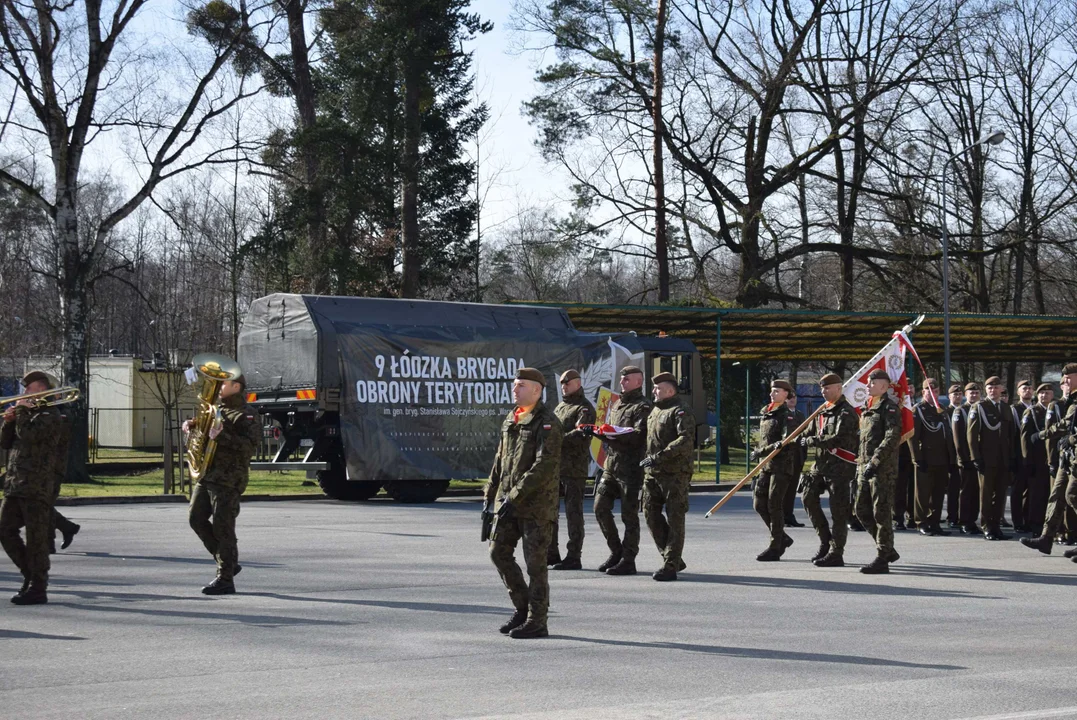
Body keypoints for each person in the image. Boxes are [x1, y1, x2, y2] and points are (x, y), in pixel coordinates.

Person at [484, 367, 562, 639]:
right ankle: (522, 608)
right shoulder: (511, 418)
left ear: (537, 390)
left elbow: (545, 464)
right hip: (507, 502)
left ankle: (538, 620)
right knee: (498, 553)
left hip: (536, 506)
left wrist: (514, 494)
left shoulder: (547, 421)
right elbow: (500, 459)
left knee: (536, 564)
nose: (514, 390)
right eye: (514, 385)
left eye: (520, 386)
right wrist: (489, 494)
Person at [184, 369, 261, 595]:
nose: (218, 387)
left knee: (223, 528)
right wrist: (193, 424)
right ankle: (227, 562)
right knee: (195, 519)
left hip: (229, 480)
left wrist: (222, 436)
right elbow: (207, 427)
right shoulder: (217, 409)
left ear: (236, 387)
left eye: (223, 384)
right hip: (208, 475)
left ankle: (225, 579)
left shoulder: (247, 414)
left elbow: (249, 447)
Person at [0, 371, 62, 605]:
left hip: (36, 486)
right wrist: (8, 422)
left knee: (36, 539)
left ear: (42, 390)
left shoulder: (51, 415)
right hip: (15, 484)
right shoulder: (26, 414)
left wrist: (23, 412)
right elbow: (6, 443)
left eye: (29, 389)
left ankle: (38, 587)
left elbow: (29, 436)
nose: (24, 393)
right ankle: (30, 575)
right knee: (4, 530)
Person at [590, 366, 651, 576]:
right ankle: (616, 551)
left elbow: (638, 436)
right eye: (622, 379)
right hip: (611, 466)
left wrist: (614, 436)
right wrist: (602, 434)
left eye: (627, 380)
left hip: (630, 468)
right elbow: (612, 430)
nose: (622, 382)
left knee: (629, 516)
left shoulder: (643, 406)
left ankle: (628, 559)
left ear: (638, 382)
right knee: (599, 508)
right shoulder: (617, 404)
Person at [798, 373, 858, 567]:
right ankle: (825, 541)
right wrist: (791, 439)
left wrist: (812, 440)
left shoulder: (846, 412)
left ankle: (836, 552)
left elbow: (838, 438)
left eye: (827, 388)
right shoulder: (822, 410)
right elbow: (806, 432)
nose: (823, 391)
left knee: (838, 511)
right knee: (807, 497)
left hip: (840, 467)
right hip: (821, 466)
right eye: (822, 388)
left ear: (839, 389)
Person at [640, 372, 695, 581]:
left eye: (658, 388)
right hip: (653, 473)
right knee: (649, 514)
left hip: (675, 474)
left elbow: (685, 440)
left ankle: (671, 564)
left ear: (670, 391)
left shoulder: (681, 411)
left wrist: (659, 457)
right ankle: (671, 556)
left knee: (675, 519)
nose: (654, 391)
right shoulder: (655, 411)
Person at [1020, 364, 1077, 557]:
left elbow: (1066, 425)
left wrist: (1043, 434)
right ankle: (1046, 538)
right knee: (1057, 495)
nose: (1065, 382)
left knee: (1072, 495)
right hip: (1069, 457)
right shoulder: (1069, 399)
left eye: (1068, 378)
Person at [855, 368, 902, 574]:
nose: (868, 386)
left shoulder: (889, 408)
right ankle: (888, 549)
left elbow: (891, 437)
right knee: (860, 510)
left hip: (881, 469)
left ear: (883, 386)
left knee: (880, 513)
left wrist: (874, 462)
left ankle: (883, 557)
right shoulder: (868, 408)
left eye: (872, 383)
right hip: (864, 468)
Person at [550, 369, 595, 571]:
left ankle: (574, 556)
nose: (564, 387)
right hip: (555, 467)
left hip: (574, 469)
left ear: (577, 384)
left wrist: (556, 439)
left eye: (567, 384)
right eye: (562, 384)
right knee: (550, 511)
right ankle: (551, 553)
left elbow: (581, 434)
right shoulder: (561, 407)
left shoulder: (584, 408)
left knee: (573, 514)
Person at [752, 379, 799, 561]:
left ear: (787, 394)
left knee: (774, 505)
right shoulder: (767, 412)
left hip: (781, 466)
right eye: (772, 391)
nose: (773, 394)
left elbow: (785, 442)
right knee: (758, 504)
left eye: (777, 391)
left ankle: (775, 546)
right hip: (766, 465)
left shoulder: (786, 414)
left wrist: (760, 452)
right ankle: (782, 537)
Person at [967, 376, 1015, 540]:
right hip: (986, 459)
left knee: (1000, 494)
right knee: (986, 495)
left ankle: (997, 526)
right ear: (986, 390)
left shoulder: (1006, 408)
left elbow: (1011, 435)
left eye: (996, 388)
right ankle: (987, 526)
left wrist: (1012, 457)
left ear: (1001, 389)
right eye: (990, 388)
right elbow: (971, 436)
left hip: (1003, 459)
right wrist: (976, 457)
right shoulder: (979, 407)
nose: (993, 391)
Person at [909, 378, 955, 536]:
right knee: (922, 493)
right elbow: (913, 438)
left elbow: (948, 435)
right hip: (925, 457)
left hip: (942, 458)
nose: (934, 394)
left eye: (936, 391)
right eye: (930, 391)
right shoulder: (918, 410)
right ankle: (921, 522)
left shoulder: (941, 409)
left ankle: (934, 522)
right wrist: (917, 458)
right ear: (923, 392)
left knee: (938, 492)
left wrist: (951, 458)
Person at [1020, 383, 1054, 537]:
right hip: (1037, 459)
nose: (1044, 396)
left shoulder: (1055, 410)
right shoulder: (1032, 412)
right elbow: (1025, 438)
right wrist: (1028, 460)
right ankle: (1035, 525)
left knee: (1051, 494)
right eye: (1041, 393)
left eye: (1047, 393)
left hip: (1053, 459)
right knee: (1037, 495)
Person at [951, 383, 982, 534]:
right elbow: (958, 438)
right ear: (965, 394)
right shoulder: (960, 411)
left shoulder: (981, 409)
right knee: (966, 491)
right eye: (971, 392)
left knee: (976, 492)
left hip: (979, 459)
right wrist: (964, 459)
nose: (974, 395)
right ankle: (964, 521)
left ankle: (972, 520)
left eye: (976, 392)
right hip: (966, 460)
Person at [49, 408, 80, 553]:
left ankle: (49, 542)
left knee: (41, 505)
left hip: (52, 468)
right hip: (35, 468)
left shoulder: (62, 414)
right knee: (40, 505)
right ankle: (67, 528)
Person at [1010, 380, 1035, 532]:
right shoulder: (1014, 409)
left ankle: (1028, 519)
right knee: (1017, 491)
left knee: (1032, 491)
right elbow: (1011, 435)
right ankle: (1017, 521)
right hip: (1019, 456)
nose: (1027, 391)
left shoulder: (1036, 409)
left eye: (1030, 388)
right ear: (1018, 392)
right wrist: (1012, 457)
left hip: (1035, 456)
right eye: (1024, 388)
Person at [783, 390, 807, 528]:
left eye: (795, 397)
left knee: (792, 488)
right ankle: (780, 516)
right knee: (783, 488)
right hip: (785, 457)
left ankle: (789, 515)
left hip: (797, 456)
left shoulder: (800, 415)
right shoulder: (782, 414)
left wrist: (803, 455)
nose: (792, 399)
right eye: (789, 397)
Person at [943, 383, 964, 529]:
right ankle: (952, 516)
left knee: (964, 489)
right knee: (953, 489)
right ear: (949, 396)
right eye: (954, 394)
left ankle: (963, 516)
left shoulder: (964, 411)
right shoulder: (945, 412)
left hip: (964, 456)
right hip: (950, 456)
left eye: (959, 394)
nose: (957, 396)